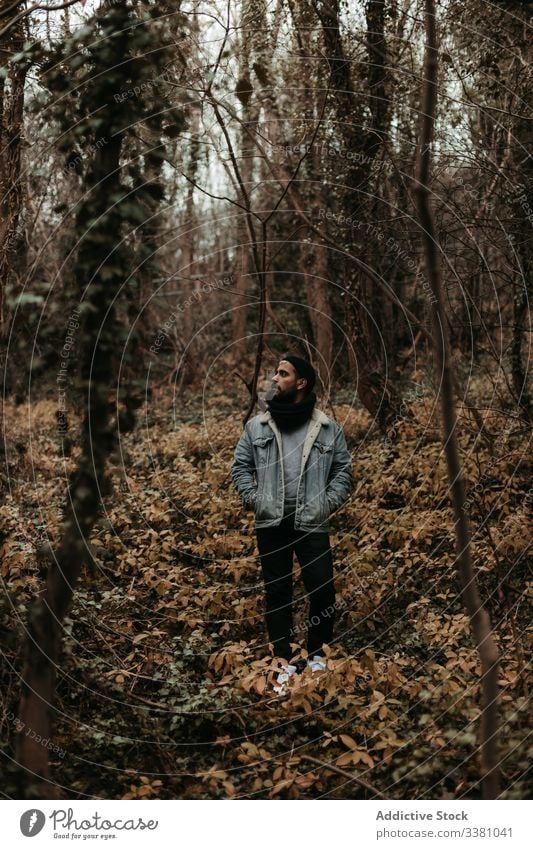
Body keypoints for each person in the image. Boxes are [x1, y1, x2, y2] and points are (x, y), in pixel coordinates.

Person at [231, 355, 353, 694]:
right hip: (271, 524)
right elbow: (240, 468)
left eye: (282, 373)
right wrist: (256, 500)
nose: (275, 378)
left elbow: (343, 471)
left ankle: (316, 659)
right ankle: (282, 665)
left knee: (323, 590)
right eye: (275, 372)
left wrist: (326, 504)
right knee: (279, 594)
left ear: (301, 383)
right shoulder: (257, 426)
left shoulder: (327, 428)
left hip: (311, 523)